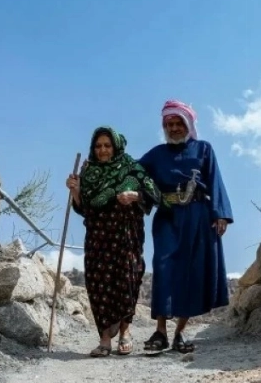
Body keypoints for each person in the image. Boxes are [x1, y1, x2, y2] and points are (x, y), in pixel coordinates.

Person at [138, 100, 233, 353]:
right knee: (163, 266)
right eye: (169, 124)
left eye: (178, 123)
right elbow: (131, 171)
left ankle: (179, 333)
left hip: (198, 217)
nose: (174, 128)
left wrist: (220, 214)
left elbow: (215, 181)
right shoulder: (156, 154)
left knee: (192, 272)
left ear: (188, 124)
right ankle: (160, 332)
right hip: (167, 217)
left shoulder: (203, 149)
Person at [66, 126, 161, 357]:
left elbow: (154, 195)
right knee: (98, 284)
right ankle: (105, 339)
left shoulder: (132, 168)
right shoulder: (88, 172)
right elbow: (83, 208)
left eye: (107, 145)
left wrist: (134, 196)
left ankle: (126, 332)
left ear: (116, 146)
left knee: (126, 280)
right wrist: (76, 191)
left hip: (126, 236)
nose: (102, 150)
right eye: (98, 146)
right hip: (98, 238)